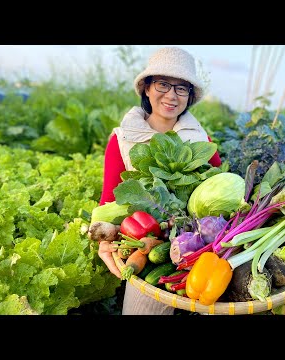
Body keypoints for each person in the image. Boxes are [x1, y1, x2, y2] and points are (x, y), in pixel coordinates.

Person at [95, 46, 222, 315]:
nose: (171, 95)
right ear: (147, 88)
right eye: (163, 84)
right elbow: (109, 199)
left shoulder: (201, 141)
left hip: (202, 249)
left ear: (189, 96)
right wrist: (103, 238)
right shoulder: (122, 140)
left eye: (181, 88)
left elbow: (220, 183)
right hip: (148, 250)